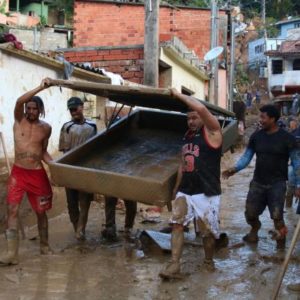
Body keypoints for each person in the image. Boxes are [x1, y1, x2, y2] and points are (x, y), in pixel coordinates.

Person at [159, 88, 222, 279]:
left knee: (207, 232)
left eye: (194, 117)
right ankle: (174, 265)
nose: (191, 121)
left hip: (206, 191)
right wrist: (176, 189)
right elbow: (182, 164)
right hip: (186, 190)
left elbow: (202, 109)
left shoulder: (213, 132)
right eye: (189, 118)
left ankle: (209, 261)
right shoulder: (186, 137)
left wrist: (177, 94)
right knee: (177, 224)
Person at [223, 105, 300, 249]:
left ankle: (280, 247)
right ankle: (254, 229)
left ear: (272, 119)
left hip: (277, 184)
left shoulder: (287, 138)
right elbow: (247, 156)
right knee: (250, 214)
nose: (260, 120)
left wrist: (298, 185)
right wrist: (234, 169)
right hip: (258, 182)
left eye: (263, 117)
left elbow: (297, 163)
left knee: (277, 217)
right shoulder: (256, 136)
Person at [0, 78, 54, 266]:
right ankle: (11, 254)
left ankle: (45, 246)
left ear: (40, 110)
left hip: (37, 175)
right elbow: (18, 102)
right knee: (12, 210)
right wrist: (40, 87)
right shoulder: (18, 120)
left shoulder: (46, 129)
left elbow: (43, 151)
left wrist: (55, 166)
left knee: (41, 213)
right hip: (18, 175)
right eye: (29, 108)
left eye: (35, 108)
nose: (31, 111)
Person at [59, 97, 97, 241]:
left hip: (87, 170)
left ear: (82, 107)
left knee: (85, 201)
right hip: (70, 169)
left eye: (76, 108)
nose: (73, 111)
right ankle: (78, 229)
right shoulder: (67, 127)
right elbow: (65, 152)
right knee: (72, 203)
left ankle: (80, 230)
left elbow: (95, 148)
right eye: (71, 109)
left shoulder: (92, 126)